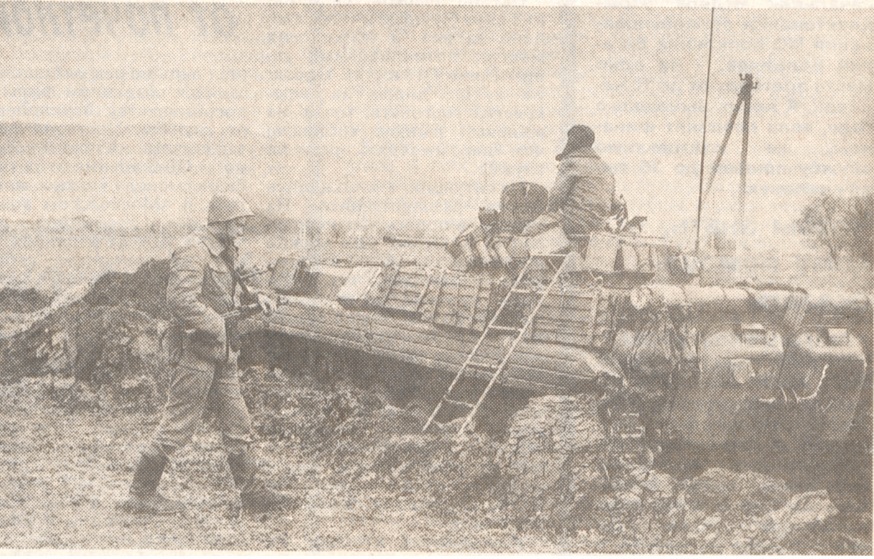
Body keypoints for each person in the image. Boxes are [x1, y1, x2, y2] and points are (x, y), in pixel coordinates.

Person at [119, 192, 300, 515]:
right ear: (222, 222)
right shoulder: (193, 250)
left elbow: (227, 290)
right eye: (239, 223)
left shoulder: (226, 250)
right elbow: (180, 301)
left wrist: (256, 297)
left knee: (238, 422)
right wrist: (218, 326)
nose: (243, 228)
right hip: (196, 353)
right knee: (179, 424)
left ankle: (253, 495)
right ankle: (141, 493)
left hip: (224, 353)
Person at [523, 125, 618, 237]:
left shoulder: (570, 161)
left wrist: (548, 214)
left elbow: (556, 195)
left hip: (573, 224)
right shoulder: (605, 167)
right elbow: (615, 204)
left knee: (528, 231)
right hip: (598, 226)